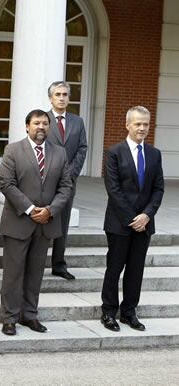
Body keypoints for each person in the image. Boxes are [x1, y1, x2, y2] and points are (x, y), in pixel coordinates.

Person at [0, 109, 72, 336]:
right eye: (36, 123)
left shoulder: (59, 153)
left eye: (45, 123)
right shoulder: (12, 150)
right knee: (13, 273)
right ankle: (9, 318)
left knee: (35, 273)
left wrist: (50, 210)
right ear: (27, 126)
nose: (41, 127)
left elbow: (66, 186)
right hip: (19, 222)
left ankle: (29, 315)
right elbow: (6, 184)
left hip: (45, 223)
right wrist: (31, 209)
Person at [100, 106, 164, 332]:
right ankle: (108, 312)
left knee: (136, 271)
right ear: (127, 125)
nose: (142, 128)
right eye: (138, 124)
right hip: (119, 224)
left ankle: (129, 313)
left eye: (146, 124)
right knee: (114, 268)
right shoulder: (114, 152)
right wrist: (132, 218)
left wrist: (146, 215)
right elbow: (113, 189)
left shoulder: (155, 154)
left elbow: (158, 189)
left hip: (144, 225)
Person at [46, 81, 88, 281]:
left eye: (65, 94)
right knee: (41, 222)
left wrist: (71, 173)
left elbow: (82, 148)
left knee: (63, 224)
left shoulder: (77, 122)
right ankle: (36, 263)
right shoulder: (42, 119)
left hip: (68, 182)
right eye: (57, 94)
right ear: (50, 98)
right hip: (44, 180)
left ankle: (58, 264)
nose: (61, 98)